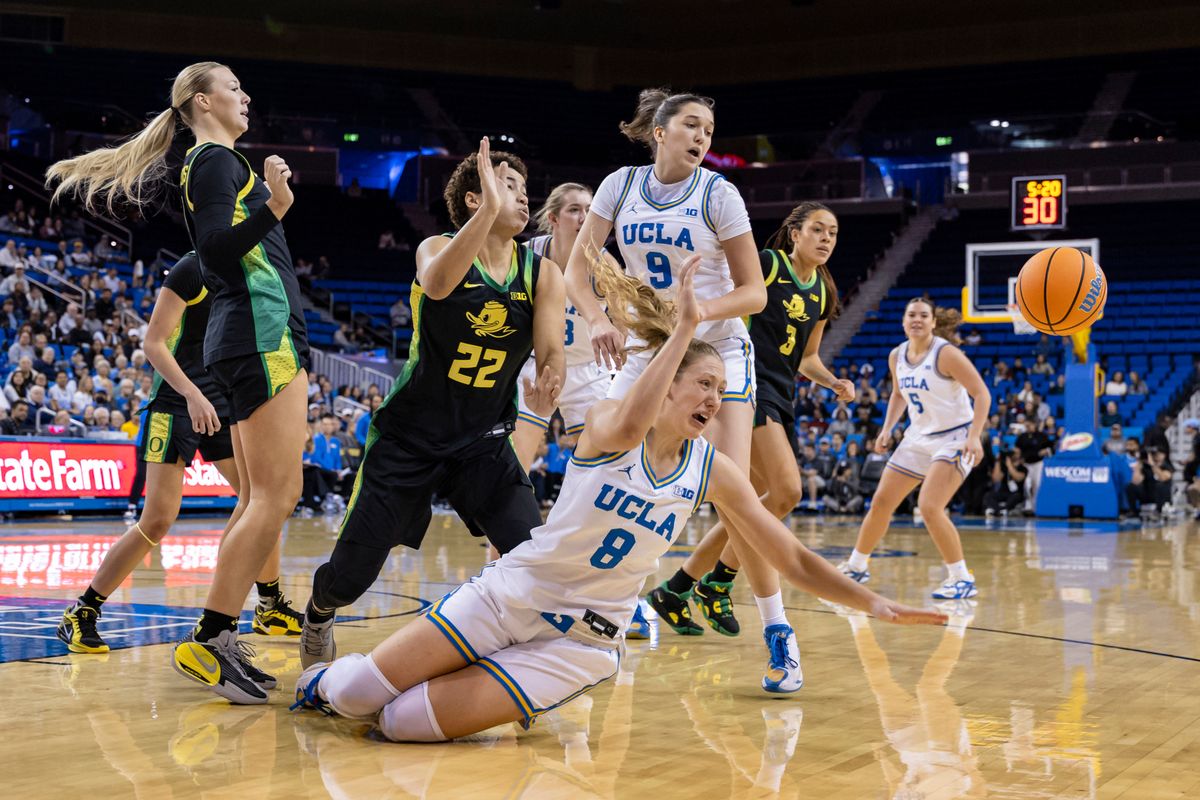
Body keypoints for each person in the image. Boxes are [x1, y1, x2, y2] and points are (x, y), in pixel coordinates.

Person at [290, 256, 946, 740]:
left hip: (581, 641)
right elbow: (634, 420)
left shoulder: (712, 469)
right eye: (702, 386)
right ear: (663, 388)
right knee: (354, 701)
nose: (715, 401)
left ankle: (508, 685)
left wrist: (873, 602)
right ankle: (327, 679)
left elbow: (792, 557)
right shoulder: (608, 426)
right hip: (512, 594)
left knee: (402, 726)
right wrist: (684, 328)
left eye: (721, 389)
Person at [47, 61, 310, 703]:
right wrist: (275, 207)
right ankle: (210, 635)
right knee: (268, 497)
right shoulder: (217, 162)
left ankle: (243, 618)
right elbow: (220, 249)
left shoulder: (216, 163)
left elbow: (224, 249)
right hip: (252, 340)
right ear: (202, 100)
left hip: (242, 349)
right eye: (234, 87)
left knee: (258, 497)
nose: (246, 95)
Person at [569, 89, 829, 691]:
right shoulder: (619, 185)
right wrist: (599, 318)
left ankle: (778, 632)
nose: (702, 136)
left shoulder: (719, 193)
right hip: (650, 348)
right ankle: (599, 603)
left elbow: (754, 293)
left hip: (719, 350)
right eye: (691, 124)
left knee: (734, 495)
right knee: (602, 461)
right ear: (659, 131)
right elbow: (577, 270)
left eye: (709, 129)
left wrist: (694, 311)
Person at [299, 139, 566, 674]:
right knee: (353, 574)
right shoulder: (434, 248)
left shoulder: (541, 274)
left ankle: (516, 655)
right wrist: (491, 210)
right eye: (507, 187)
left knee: (530, 552)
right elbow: (439, 286)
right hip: (408, 437)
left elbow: (550, 349)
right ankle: (319, 611)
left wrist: (552, 376)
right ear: (475, 199)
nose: (522, 199)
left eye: (523, 191)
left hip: (483, 442)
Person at [54, 254, 304, 654]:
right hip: (176, 403)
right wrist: (192, 394)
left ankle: (269, 605)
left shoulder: (252, 272)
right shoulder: (192, 268)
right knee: (156, 520)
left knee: (264, 501)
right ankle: (82, 611)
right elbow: (152, 343)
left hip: (222, 403)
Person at [837, 297, 989, 600]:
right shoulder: (897, 356)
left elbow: (982, 393)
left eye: (923, 315)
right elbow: (897, 394)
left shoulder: (946, 354)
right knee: (881, 501)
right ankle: (856, 566)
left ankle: (961, 578)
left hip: (954, 436)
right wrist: (887, 429)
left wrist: (975, 436)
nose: (917, 320)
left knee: (930, 506)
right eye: (911, 315)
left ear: (933, 322)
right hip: (917, 437)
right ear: (903, 322)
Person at [512, 182, 614, 476]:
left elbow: (628, 319)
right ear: (554, 218)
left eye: (590, 210)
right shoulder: (527, 255)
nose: (584, 217)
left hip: (586, 370)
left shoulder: (604, 265)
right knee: (516, 462)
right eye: (574, 210)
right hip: (534, 365)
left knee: (601, 468)